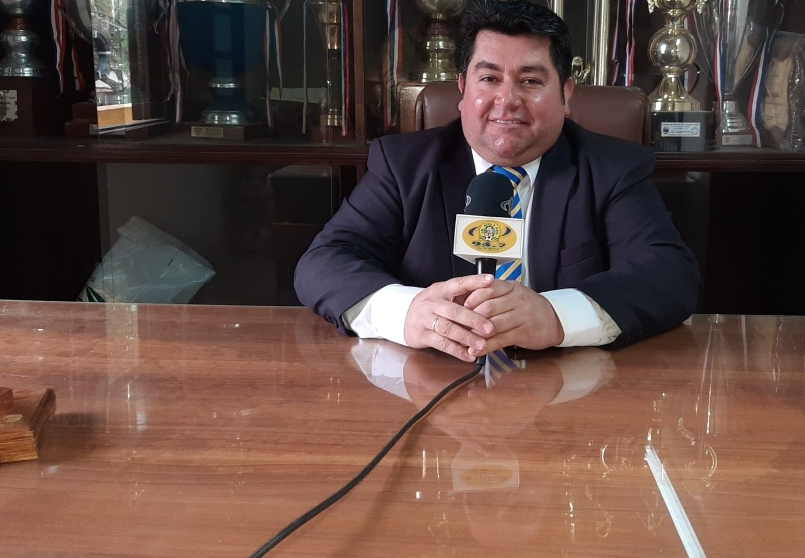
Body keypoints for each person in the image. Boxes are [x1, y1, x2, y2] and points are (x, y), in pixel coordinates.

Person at [295, 0, 700, 362]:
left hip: (567, 389)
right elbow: (325, 262)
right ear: (462, 88)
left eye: (531, 81)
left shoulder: (612, 169)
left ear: (566, 93)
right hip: (430, 380)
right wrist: (408, 312)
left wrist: (556, 316)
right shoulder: (404, 165)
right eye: (489, 79)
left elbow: (669, 274)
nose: (507, 100)